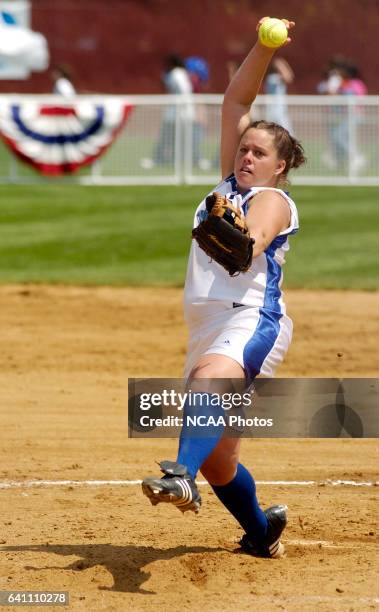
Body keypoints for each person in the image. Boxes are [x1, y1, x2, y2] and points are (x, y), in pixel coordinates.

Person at [142, 17, 306, 559]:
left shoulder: (274, 201)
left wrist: (238, 237)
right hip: (210, 322)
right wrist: (262, 46)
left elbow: (251, 241)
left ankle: (179, 475)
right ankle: (262, 533)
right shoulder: (225, 186)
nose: (246, 156)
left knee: (210, 383)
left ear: (280, 167)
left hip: (252, 317)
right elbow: (234, 101)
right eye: (244, 150)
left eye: (259, 153)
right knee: (221, 458)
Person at [141, 54, 193, 168]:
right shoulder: (182, 73)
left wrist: (181, 105)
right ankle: (173, 160)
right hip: (181, 112)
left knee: (166, 137)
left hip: (176, 113)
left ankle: (158, 159)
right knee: (175, 138)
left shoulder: (176, 74)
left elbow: (183, 91)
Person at [264, 57, 294, 132]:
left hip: (281, 111)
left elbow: (289, 78)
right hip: (274, 112)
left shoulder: (275, 78)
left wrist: (283, 65)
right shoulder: (272, 78)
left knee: (286, 134)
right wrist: (281, 65)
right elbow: (288, 78)